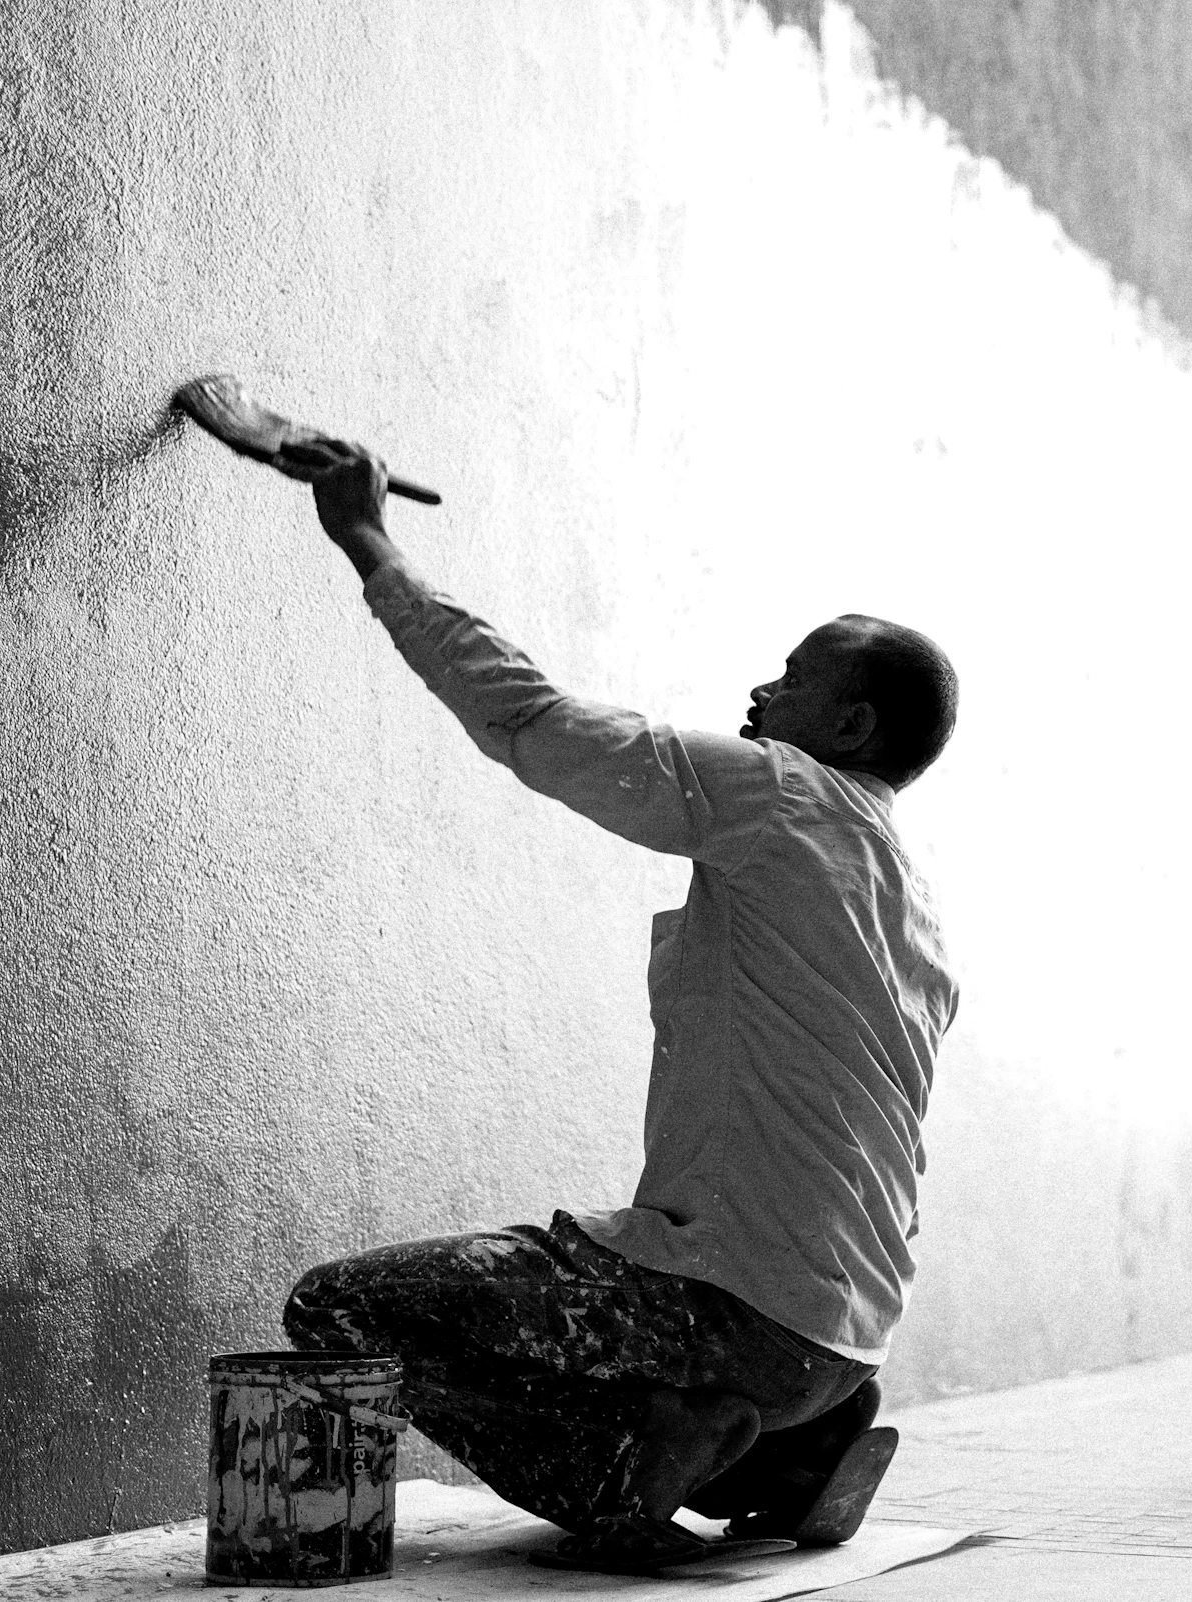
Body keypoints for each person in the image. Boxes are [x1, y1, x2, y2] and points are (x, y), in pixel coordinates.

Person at [281, 442, 960, 1574]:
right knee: (611, 1280)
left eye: (792, 678)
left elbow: (531, 719)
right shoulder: (918, 909)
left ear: (848, 730)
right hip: (844, 1338)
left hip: (730, 1313)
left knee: (342, 1310)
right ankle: (790, 1454)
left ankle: (645, 1459)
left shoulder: (781, 794)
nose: (761, 692)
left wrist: (369, 543)